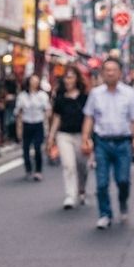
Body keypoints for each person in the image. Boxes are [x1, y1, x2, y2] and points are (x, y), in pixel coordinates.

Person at [81, 57, 134, 229]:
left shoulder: (129, 93)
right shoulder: (95, 94)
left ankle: (123, 202)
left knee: (123, 180)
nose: (110, 73)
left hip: (123, 143)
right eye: (106, 70)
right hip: (102, 142)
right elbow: (89, 117)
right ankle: (105, 214)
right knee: (101, 183)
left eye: (113, 69)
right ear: (102, 73)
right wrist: (85, 138)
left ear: (120, 72)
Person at [46, 65, 89, 209]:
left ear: (77, 79)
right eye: (66, 77)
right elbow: (57, 118)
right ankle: (70, 195)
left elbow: (90, 118)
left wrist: (89, 136)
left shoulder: (85, 97)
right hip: (64, 135)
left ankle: (81, 189)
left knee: (82, 166)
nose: (67, 80)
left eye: (70, 77)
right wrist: (51, 137)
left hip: (81, 136)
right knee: (68, 165)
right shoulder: (60, 98)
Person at [15, 74, 50, 180]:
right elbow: (18, 112)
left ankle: (38, 171)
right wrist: (19, 127)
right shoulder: (22, 96)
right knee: (25, 148)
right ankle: (28, 169)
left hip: (38, 123)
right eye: (32, 80)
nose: (34, 83)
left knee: (37, 147)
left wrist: (47, 125)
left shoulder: (42, 95)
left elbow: (47, 110)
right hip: (27, 123)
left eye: (36, 81)